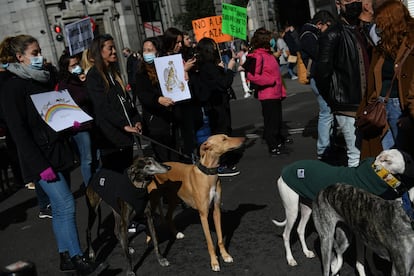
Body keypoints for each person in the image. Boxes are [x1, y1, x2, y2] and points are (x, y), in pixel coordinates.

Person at [0, 34, 97, 274]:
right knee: (65, 204)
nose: (39, 56)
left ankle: (65, 255)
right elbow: (19, 133)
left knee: (60, 205)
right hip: (39, 158)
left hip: (56, 151)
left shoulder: (41, 80)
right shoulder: (11, 87)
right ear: (20, 57)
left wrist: (68, 122)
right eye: (34, 53)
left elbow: (49, 116)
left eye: (39, 51)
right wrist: (38, 165)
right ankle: (77, 256)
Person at [315, 0, 370, 167]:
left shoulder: (361, 29)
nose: (354, 3)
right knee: (355, 154)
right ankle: (356, 193)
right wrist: (334, 100)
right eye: (348, 0)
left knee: (368, 151)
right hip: (348, 105)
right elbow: (321, 73)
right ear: (339, 4)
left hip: (367, 102)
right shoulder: (333, 34)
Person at [357, 0, 414, 160]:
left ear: (392, 21)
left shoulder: (410, 44)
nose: (378, 25)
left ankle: (405, 185)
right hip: (380, 106)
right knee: (384, 157)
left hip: (401, 107)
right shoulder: (382, 46)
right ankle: (390, 185)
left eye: (381, 21)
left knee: (403, 156)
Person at [86, 34, 142, 173]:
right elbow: (103, 107)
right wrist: (123, 124)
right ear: (100, 51)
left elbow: (126, 101)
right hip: (110, 138)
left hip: (126, 136)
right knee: (117, 177)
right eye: (110, 48)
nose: (114, 51)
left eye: (114, 48)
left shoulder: (114, 73)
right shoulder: (94, 76)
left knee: (129, 172)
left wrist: (136, 119)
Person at [191, 37, 241, 176]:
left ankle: (223, 162)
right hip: (215, 106)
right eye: (214, 47)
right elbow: (224, 83)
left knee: (222, 130)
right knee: (221, 132)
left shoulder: (206, 66)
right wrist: (230, 68)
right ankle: (221, 164)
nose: (216, 50)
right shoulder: (208, 67)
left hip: (216, 104)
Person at [299, 10, 337, 160]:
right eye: (327, 26)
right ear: (319, 24)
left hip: (318, 76)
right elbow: (319, 54)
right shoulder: (309, 35)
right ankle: (323, 148)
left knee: (328, 111)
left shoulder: (310, 33)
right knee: (326, 112)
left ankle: (328, 144)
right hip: (317, 76)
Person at [246, 28, 289, 157]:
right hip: (267, 94)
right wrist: (269, 81)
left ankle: (277, 140)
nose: (272, 41)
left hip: (275, 93)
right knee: (271, 121)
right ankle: (273, 145)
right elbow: (252, 75)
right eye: (269, 38)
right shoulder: (257, 56)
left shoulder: (268, 54)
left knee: (276, 120)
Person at [162, 27, 201, 163]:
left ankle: (191, 159)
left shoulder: (181, 56)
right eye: (177, 42)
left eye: (180, 42)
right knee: (180, 140)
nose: (180, 45)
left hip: (187, 103)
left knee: (189, 137)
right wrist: (183, 70)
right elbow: (168, 81)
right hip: (175, 106)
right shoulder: (163, 59)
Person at [135, 36, 176, 162]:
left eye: (150, 50)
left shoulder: (166, 67)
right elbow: (143, 95)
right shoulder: (141, 72)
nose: (147, 53)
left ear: (158, 52)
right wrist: (157, 99)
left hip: (172, 117)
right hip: (155, 121)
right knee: (163, 156)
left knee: (175, 153)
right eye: (145, 50)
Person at [57, 52, 94, 187]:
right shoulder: (64, 84)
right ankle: (90, 187)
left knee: (94, 156)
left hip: (90, 123)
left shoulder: (81, 79)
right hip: (78, 128)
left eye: (77, 64)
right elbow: (67, 105)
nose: (77, 67)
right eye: (73, 65)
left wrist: (85, 82)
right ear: (66, 68)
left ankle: (96, 182)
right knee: (87, 159)